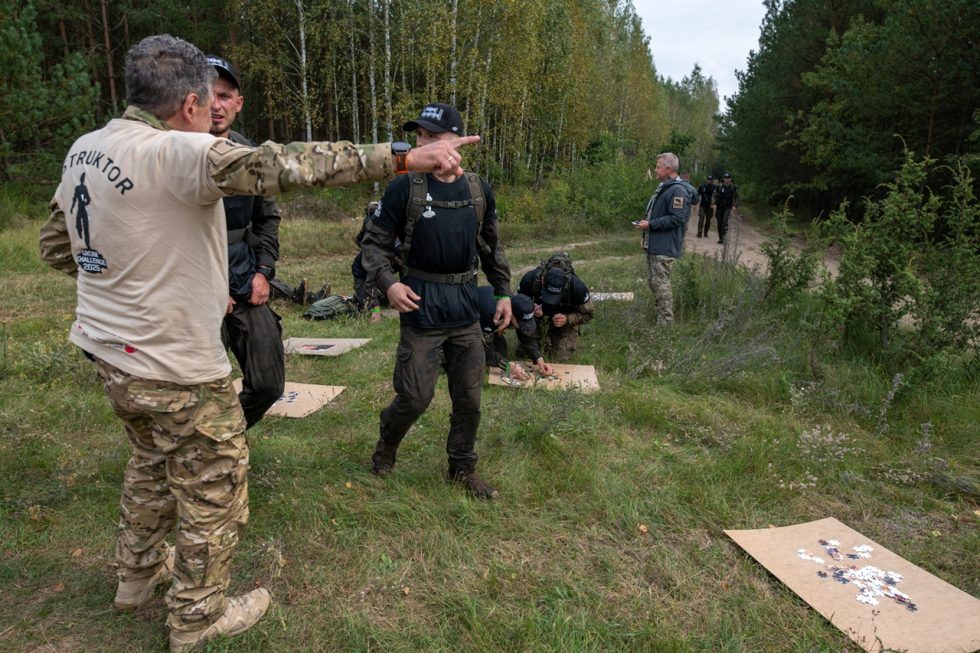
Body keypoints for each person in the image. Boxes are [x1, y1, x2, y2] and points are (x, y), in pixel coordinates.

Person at [39, 35, 478, 652]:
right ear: (190, 103)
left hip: (109, 352)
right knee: (213, 486)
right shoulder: (181, 153)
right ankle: (197, 617)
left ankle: (136, 579)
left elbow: (58, 248)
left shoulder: (86, 149)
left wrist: (128, 277)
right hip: (172, 362)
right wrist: (408, 157)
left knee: (149, 464)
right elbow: (287, 164)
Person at [361, 102, 512, 500]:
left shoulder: (477, 191)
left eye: (432, 136)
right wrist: (389, 285)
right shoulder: (403, 188)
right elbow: (372, 248)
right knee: (415, 397)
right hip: (420, 308)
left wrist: (502, 293)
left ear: (456, 142)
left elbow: (492, 248)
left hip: (464, 309)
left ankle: (462, 467)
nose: (422, 143)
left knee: (469, 397)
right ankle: (387, 446)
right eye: (420, 136)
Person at [207, 54, 284, 430]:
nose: (215, 105)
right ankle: (210, 450)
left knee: (269, 383)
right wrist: (207, 287)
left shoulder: (250, 153)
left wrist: (264, 271)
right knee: (205, 386)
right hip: (195, 280)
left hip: (243, 272)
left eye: (224, 96)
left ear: (238, 103)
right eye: (207, 95)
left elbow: (267, 217)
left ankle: (227, 435)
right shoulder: (174, 153)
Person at [634, 152, 689, 325]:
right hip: (655, 244)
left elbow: (677, 218)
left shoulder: (677, 190)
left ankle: (665, 324)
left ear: (668, 168)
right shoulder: (664, 187)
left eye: (658, 167)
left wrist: (650, 225)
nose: (655, 169)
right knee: (655, 283)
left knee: (662, 284)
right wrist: (646, 234)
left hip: (664, 247)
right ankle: (660, 318)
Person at [517, 257, 594, 362]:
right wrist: (530, 308)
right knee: (525, 354)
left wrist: (567, 319)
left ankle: (551, 342)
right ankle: (542, 342)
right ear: (543, 280)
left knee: (561, 358)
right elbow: (516, 308)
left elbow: (588, 314)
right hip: (537, 320)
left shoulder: (577, 288)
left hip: (563, 323)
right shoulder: (529, 279)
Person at [477, 286, 552, 380]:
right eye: (521, 324)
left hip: (494, 319)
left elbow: (526, 336)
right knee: (479, 359)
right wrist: (509, 367)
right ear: (511, 315)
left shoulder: (518, 305)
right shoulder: (489, 312)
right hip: (471, 320)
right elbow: (486, 353)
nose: (524, 327)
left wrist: (539, 359)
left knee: (501, 352)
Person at [714, 172, 738, 244]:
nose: (726, 179)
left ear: (730, 179)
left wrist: (734, 205)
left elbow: (736, 197)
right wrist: (713, 203)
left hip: (727, 207)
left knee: (725, 222)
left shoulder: (733, 187)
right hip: (719, 207)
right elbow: (714, 195)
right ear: (723, 179)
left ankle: (724, 238)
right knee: (719, 222)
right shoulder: (719, 187)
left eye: (728, 178)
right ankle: (720, 238)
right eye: (725, 178)